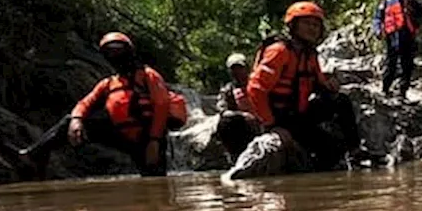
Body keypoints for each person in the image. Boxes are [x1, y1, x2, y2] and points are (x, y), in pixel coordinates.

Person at [20, 32, 183, 178]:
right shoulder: (107, 84)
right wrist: (77, 119)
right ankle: (34, 155)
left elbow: (161, 105)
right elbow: (85, 103)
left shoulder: (148, 75)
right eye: (110, 52)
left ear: (129, 52)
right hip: (121, 135)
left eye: (119, 50)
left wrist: (154, 141)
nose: (115, 55)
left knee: (154, 185)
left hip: (148, 137)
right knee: (69, 121)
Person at [241, 0, 361, 173]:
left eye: (316, 25)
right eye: (306, 23)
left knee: (340, 102)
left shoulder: (309, 54)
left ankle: (355, 151)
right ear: (293, 26)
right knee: (329, 150)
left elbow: (319, 84)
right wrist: (272, 126)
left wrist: (330, 86)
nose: (312, 29)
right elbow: (256, 89)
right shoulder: (279, 51)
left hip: (299, 115)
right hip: (279, 119)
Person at [373, 0, 422, 99]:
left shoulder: (409, 1)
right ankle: (385, 89)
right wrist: (378, 30)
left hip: (408, 37)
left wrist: (416, 21)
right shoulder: (386, 1)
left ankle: (402, 92)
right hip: (393, 37)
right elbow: (378, 18)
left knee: (407, 66)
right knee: (391, 64)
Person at [216, 52, 260, 160]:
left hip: (262, 124)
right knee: (224, 123)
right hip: (242, 128)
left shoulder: (258, 85)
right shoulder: (228, 90)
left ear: (247, 68)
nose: (237, 72)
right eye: (233, 69)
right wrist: (243, 115)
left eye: (240, 68)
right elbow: (223, 111)